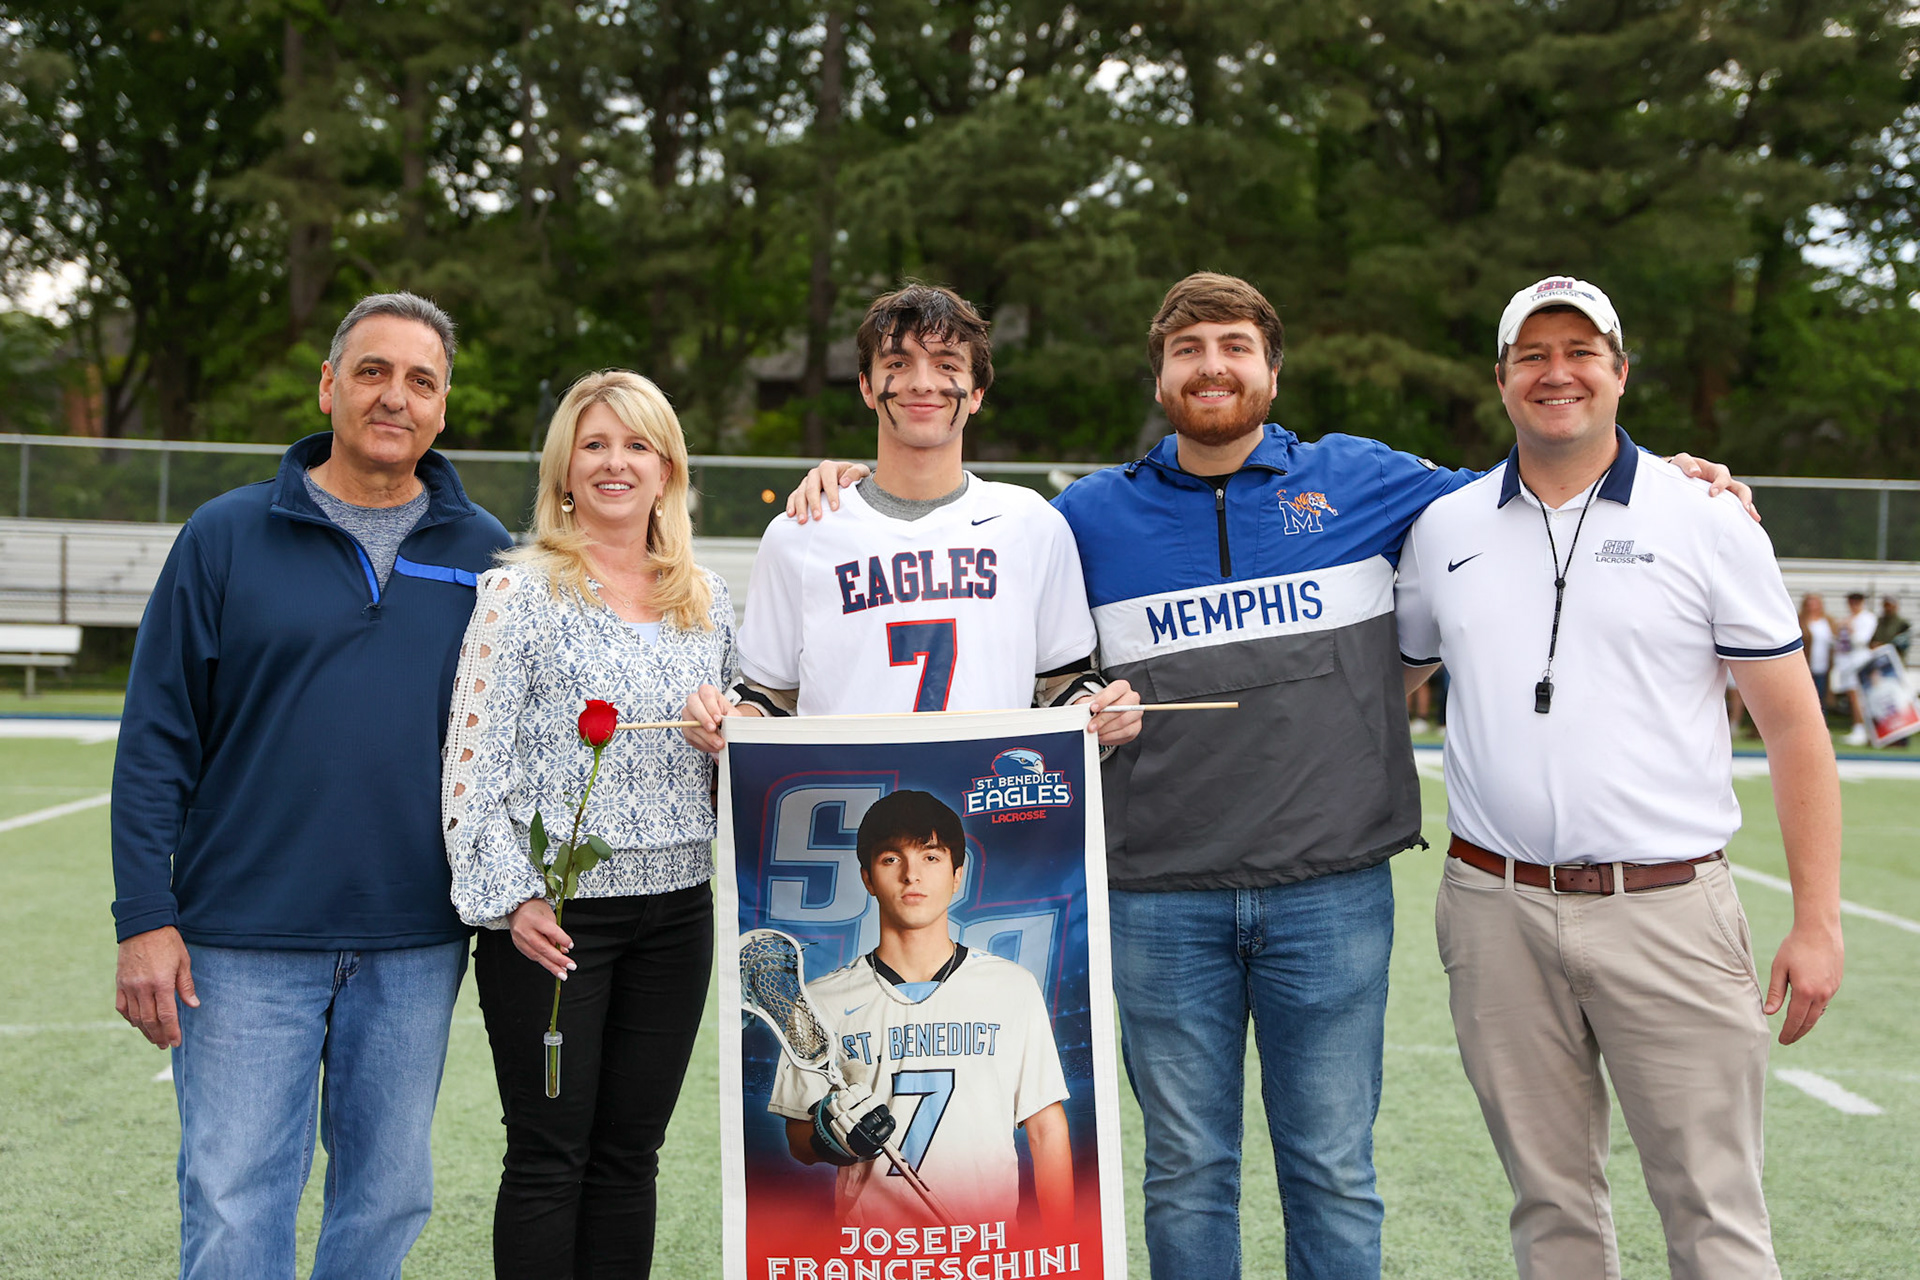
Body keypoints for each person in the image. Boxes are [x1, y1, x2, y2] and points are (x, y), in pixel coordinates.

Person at [786, 272, 1757, 1280]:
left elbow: (1538, 481)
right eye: (1189, 347)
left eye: (1234, 345)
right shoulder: (1083, 516)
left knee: (1332, 1169)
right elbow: (967, 551)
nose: (1213, 365)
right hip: (1161, 894)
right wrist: (840, 484)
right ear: (1160, 375)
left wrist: (1669, 470)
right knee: (1186, 1170)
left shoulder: (1369, 480)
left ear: (1272, 368)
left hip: (1330, 891)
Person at [1396, 275, 1843, 1279]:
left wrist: (1817, 919)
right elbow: (1385, 675)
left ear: (1621, 371)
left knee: (1713, 1206)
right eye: (1533, 355)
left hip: (1669, 906)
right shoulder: (1446, 527)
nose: (1558, 373)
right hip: (1494, 906)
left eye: (1581, 351)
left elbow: (1796, 729)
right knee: (1550, 1204)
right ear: (1502, 379)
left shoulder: (1710, 518)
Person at [110, 292, 514, 1279]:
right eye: (372, 371)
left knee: (385, 1198)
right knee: (235, 1194)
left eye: (421, 379)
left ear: (444, 406)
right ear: (329, 385)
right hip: (241, 941)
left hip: (415, 939)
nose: (394, 396)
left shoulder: (488, 552)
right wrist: (143, 917)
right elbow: (155, 735)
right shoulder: (225, 533)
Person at [442, 370, 734, 1279]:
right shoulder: (519, 593)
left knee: (628, 1159)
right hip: (557, 921)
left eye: (637, 444)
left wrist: (733, 735)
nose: (616, 462)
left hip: (679, 912)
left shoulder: (708, 597)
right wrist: (512, 899)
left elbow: (749, 741)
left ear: (667, 468)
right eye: (595, 444)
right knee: (548, 1158)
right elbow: (471, 763)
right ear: (565, 468)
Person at [680, 283, 1140, 746]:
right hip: (852, 805)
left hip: (987, 804)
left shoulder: (1031, 524)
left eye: (946, 364)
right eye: (897, 363)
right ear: (866, 385)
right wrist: (726, 722)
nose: (922, 382)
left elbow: (1063, 683)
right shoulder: (800, 532)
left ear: (977, 392)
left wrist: (1101, 714)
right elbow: (769, 695)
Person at [767, 789, 1073, 1232]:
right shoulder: (819, 1001)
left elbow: (1046, 1131)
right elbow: (800, 1143)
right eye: (892, 859)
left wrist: (1063, 1247)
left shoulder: (1012, 988)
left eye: (931, 857)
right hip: (872, 1254)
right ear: (868, 878)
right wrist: (831, 1134)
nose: (912, 875)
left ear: (957, 875)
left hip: (984, 1250)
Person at [1834, 592, 1877, 745]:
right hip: (1846, 661)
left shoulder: (1867, 618)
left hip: (1859, 660)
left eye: (1856, 602)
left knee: (1858, 695)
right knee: (1853, 695)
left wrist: (1850, 628)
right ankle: (1859, 728)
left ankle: (1862, 730)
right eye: (1851, 602)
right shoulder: (1847, 618)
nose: (1853, 605)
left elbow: (1861, 640)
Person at [1800, 593, 1834, 711]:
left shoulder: (1828, 621)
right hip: (1806, 664)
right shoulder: (1800, 620)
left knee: (1821, 696)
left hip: (1823, 665)